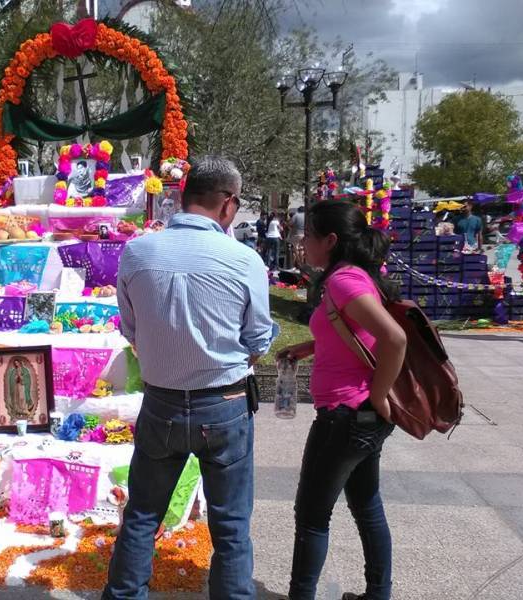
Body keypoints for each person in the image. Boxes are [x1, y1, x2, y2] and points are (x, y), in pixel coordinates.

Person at [104, 156, 276, 599]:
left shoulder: (138, 251)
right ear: (228, 205)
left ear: (183, 196)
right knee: (232, 527)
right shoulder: (244, 260)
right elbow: (257, 338)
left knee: (142, 514)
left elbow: (131, 329)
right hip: (225, 403)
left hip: (161, 402)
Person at [278, 200, 407, 600]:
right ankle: (377, 594)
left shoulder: (342, 281)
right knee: (367, 505)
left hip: (344, 415)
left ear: (331, 240)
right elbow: (354, 333)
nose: (303, 242)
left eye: (309, 235)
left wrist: (381, 393)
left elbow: (394, 338)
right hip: (359, 414)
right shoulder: (352, 276)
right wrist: (308, 347)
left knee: (312, 516)